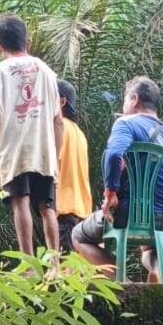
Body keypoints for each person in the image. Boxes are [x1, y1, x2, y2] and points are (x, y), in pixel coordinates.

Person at [72, 76, 163, 283]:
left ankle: (122, 281)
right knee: (149, 247)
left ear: (134, 99)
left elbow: (114, 154)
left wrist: (110, 194)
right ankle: (156, 271)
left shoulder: (126, 123)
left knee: (78, 236)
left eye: (125, 99)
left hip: (129, 215)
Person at [0, 14, 64, 257]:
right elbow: (58, 118)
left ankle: (29, 264)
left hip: (15, 147)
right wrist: (55, 155)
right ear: (28, 41)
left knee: (21, 201)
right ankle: (55, 265)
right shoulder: (46, 70)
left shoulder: (0, 71)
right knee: (47, 207)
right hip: (43, 147)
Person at [54, 79, 92, 255]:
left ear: (62, 102)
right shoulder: (79, 133)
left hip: (62, 207)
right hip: (81, 211)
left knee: (63, 270)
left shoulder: (58, 127)